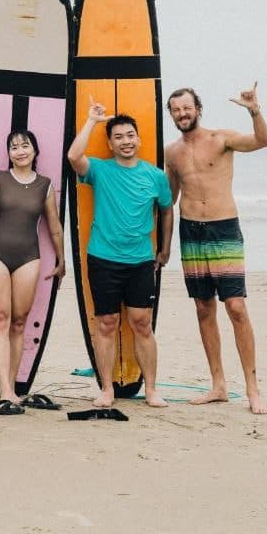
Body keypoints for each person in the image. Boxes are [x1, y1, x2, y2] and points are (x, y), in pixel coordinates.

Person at [165, 83, 267, 414]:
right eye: (176, 109)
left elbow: (262, 141)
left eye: (187, 107)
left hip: (223, 228)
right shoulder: (172, 153)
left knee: (236, 307)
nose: (182, 113)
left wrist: (254, 110)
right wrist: (162, 245)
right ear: (171, 114)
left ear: (198, 109)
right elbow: (169, 199)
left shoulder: (221, 139)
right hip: (191, 231)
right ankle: (218, 385)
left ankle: (253, 389)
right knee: (203, 307)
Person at [67, 98, 173, 408]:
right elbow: (74, 155)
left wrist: (165, 248)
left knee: (142, 323)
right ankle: (107, 390)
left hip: (140, 260)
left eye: (130, 135)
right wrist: (92, 121)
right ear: (111, 144)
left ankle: (151, 389)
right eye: (118, 137)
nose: (126, 141)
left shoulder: (155, 176)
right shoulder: (100, 170)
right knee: (107, 323)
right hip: (103, 258)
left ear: (139, 139)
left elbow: (166, 211)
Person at [0, 130, 66, 414]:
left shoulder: (45, 185)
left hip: (28, 256)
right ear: (9, 154)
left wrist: (62, 260)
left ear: (35, 151)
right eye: (14, 147)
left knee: (19, 322)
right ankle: (5, 390)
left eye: (25, 146)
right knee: (1, 318)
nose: (20, 151)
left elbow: (54, 226)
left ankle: (11, 385)